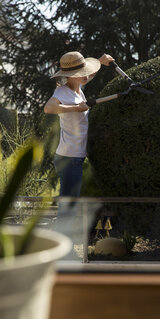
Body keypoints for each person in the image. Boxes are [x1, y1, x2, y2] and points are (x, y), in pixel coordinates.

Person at [44, 51, 114, 219]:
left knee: (70, 202)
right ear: (69, 76)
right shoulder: (62, 92)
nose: (85, 76)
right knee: (68, 204)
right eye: (80, 74)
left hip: (75, 155)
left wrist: (99, 62)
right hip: (69, 157)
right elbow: (48, 108)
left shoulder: (77, 89)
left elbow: (87, 77)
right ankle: (63, 243)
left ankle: (64, 242)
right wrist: (76, 108)